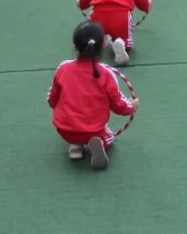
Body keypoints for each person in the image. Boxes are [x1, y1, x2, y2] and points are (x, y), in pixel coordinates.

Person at [47, 20, 139, 170]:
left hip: (64, 129)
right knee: (108, 135)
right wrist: (131, 106)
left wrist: (53, 103)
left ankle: (75, 147)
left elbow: (52, 99)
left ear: (75, 47)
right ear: (102, 46)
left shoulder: (63, 68)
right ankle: (98, 143)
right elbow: (118, 105)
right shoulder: (105, 74)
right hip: (93, 130)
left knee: (73, 127)